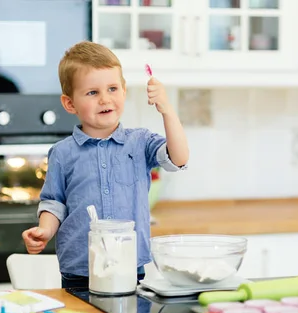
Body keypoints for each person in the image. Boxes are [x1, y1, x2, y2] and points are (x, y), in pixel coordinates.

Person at [21, 41, 189, 289]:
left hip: (130, 266)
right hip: (78, 271)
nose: (105, 99)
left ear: (123, 91)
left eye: (112, 89)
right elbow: (53, 202)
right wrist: (45, 230)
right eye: (92, 92)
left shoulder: (140, 142)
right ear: (70, 103)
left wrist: (167, 111)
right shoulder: (62, 153)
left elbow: (179, 158)